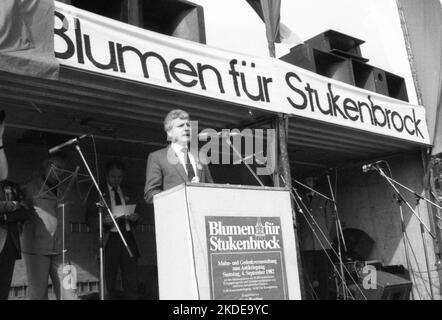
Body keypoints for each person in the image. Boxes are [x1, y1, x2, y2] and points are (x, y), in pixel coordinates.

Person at [21, 152, 78, 300]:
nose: (59, 171)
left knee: (69, 293)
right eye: (56, 167)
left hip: (62, 250)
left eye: (62, 168)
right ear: (46, 165)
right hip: (37, 249)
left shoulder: (65, 188)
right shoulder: (30, 188)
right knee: (38, 294)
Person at [86, 159, 141, 300]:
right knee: (107, 279)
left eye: (120, 177)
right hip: (108, 239)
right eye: (113, 177)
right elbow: (88, 217)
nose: (117, 180)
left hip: (128, 235)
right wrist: (103, 221)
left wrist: (136, 217)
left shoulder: (128, 190)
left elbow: (139, 211)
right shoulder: (98, 191)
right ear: (106, 175)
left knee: (131, 277)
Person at [144, 109, 213, 204]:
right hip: (175, 215)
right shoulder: (157, 157)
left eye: (188, 125)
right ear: (169, 132)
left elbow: (211, 188)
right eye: (181, 126)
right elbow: (150, 194)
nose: (186, 128)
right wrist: (181, 195)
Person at [0, 118, 32, 300]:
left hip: (9, 245)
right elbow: (15, 210)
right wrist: (10, 211)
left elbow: (25, 211)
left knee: (3, 289)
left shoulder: (12, 187)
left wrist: (5, 215)